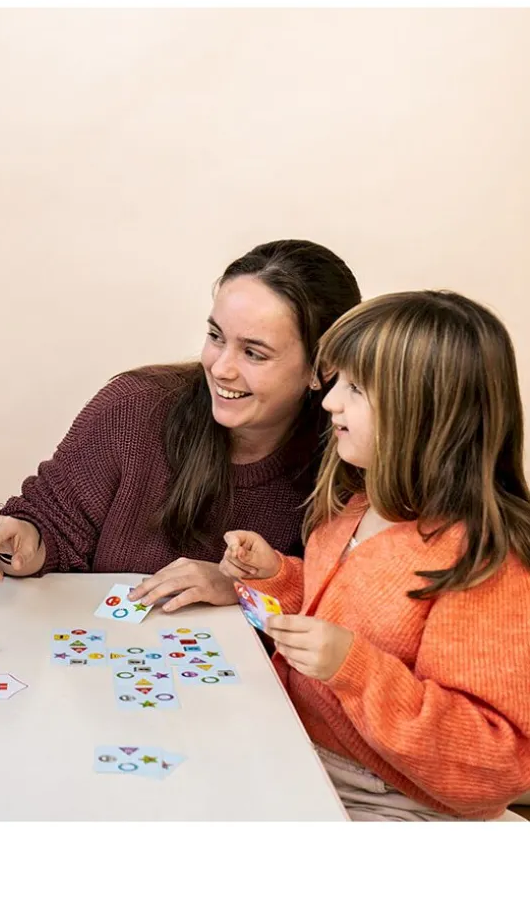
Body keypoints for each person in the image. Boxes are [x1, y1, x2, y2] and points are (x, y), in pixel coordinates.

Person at [221, 290, 530, 820]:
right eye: (337, 381)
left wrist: (356, 669)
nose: (329, 402)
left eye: (356, 388)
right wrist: (277, 576)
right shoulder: (356, 505)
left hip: (396, 799)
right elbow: (343, 613)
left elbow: (497, 763)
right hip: (302, 750)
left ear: (427, 411)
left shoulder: (484, 562)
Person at [0, 240, 361, 613]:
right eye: (215, 337)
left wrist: (240, 587)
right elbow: (51, 521)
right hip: (107, 653)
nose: (221, 368)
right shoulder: (133, 407)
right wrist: (25, 539)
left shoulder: (351, 454)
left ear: (322, 367)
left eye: (254, 353)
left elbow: (342, 607)